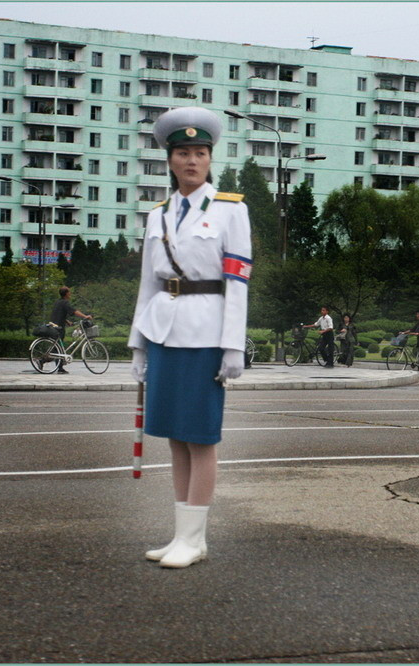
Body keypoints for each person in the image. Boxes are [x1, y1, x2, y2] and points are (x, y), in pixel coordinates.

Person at [128, 106, 252, 569]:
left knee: (199, 437)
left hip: (205, 332)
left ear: (209, 159)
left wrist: (233, 345)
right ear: (170, 160)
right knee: (174, 438)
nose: (191, 161)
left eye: (200, 153)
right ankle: (182, 535)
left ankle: (194, 539)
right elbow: (148, 283)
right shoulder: (157, 215)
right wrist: (138, 345)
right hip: (163, 330)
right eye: (183, 153)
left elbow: (237, 282)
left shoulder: (230, 210)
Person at [49, 286, 92, 374]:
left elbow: (58, 314)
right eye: (69, 292)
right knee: (57, 349)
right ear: (66, 293)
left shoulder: (58, 302)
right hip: (59, 328)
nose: (70, 293)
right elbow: (74, 311)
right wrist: (85, 316)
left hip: (54, 325)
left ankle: (58, 367)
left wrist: (66, 321)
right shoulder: (65, 302)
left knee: (57, 348)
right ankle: (49, 363)